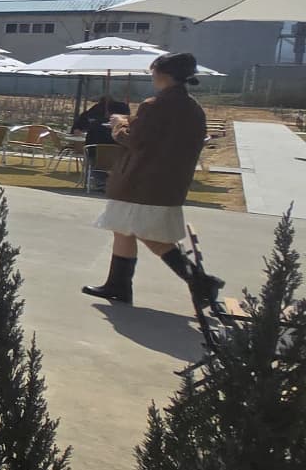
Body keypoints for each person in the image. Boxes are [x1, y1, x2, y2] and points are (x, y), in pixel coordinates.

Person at [82, 53, 222, 313]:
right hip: (168, 182)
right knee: (125, 229)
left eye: (152, 72)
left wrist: (118, 126)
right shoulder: (193, 109)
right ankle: (118, 285)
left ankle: (200, 281)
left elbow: (136, 141)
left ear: (162, 74)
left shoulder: (154, 105)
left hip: (140, 181)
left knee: (148, 235)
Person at [72, 93, 130, 190]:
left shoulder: (94, 112)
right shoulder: (122, 112)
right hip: (118, 152)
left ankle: (100, 183)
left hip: (95, 150)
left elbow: (78, 126)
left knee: (93, 160)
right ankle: (108, 183)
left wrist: (78, 129)